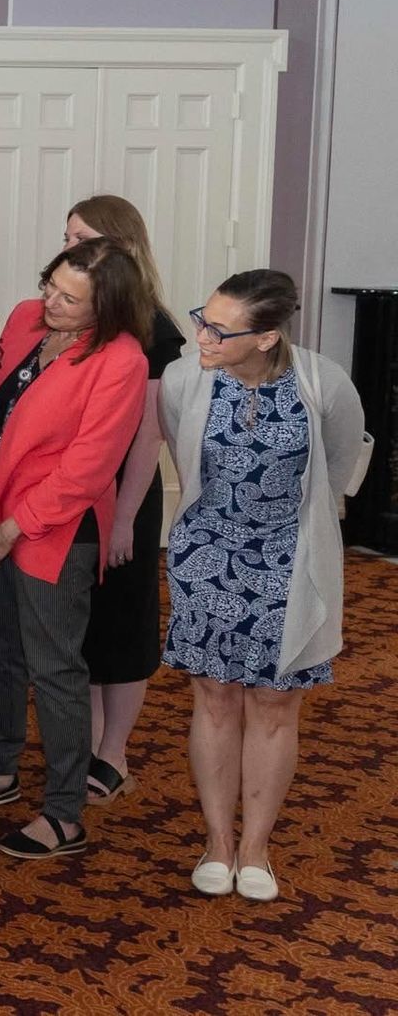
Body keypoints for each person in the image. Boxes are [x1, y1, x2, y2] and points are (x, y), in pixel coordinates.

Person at [162, 271, 365, 901]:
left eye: (221, 329)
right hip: (206, 555)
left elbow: (338, 468)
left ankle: (257, 850)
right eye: (204, 318)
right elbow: (180, 447)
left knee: (274, 704)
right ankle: (218, 842)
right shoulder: (184, 379)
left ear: (267, 337)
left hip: (289, 560)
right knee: (217, 696)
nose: (203, 335)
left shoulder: (323, 382)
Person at [0, 238, 147, 860]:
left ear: (106, 307)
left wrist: (16, 525)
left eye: (70, 298)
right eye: (51, 285)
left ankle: (65, 812)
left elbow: (88, 467)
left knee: (55, 667)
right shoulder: (29, 318)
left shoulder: (122, 359)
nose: (50, 302)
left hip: (56, 527)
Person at [62, 196, 187, 806]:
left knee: (123, 629)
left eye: (82, 238)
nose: (69, 249)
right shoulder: (78, 315)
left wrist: (125, 519)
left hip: (125, 500)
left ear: (121, 247)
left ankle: (115, 752)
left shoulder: (154, 327)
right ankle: (84, 743)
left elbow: (148, 433)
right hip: (76, 495)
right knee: (81, 627)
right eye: (67, 237)